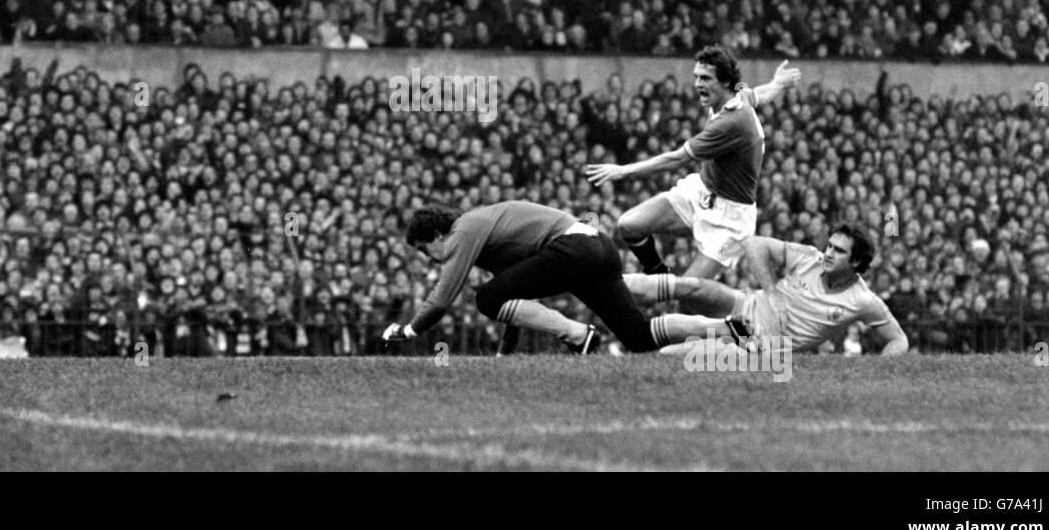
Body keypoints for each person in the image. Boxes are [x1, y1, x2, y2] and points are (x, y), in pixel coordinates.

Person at [381, 201, 749, 354]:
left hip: (573, 250)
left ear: (435, 236)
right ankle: (730, 328)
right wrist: (503, 354)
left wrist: (407, 330)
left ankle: (578, 335)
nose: (428, 258)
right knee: (637, 337)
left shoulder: (464, 230)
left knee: (483, 297)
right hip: (598, 249)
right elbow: (517, 304)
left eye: (422, 249)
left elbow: (443, 298)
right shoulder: (484, 231)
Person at [586, 46, 800, 290]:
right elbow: (759, 94)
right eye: (697, 76)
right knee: (629, 226)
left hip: (729, 218)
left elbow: (676, 159)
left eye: (706, 78)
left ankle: (742, 322)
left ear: (725, 82)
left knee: (688, 298)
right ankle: (659, 273)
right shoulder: (735, 99)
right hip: (702, 192)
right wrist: (778, 83)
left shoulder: (732, 122)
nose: (698, 83)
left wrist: (623, 171)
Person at [626, 226, 909, 355]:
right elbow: (754, 243)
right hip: (746, 305)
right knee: (691, 286)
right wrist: (772, 293)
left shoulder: (863, 300)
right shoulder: (810, 257)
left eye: (838, 250)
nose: (828, 252)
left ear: (856, 262)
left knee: (676, 353)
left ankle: (643, 355)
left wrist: (877, 368)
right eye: (829, 245)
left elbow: (898, 340)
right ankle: (609, 286)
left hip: (762, 346)